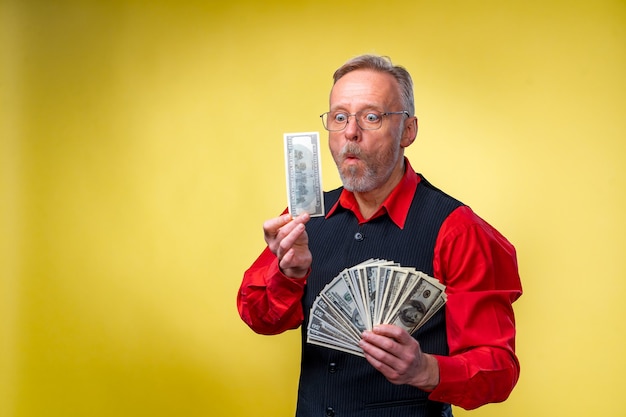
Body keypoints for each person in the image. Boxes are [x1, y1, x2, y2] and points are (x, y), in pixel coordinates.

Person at [237, 54, 522, 417]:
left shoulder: (458, 230)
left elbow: (498, 368)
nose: (350, 133)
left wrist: (426, 369)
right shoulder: (303, 220)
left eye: (371, 117)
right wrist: (288, 276)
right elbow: (259, 318)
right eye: (339, 117)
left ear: (408, 131)